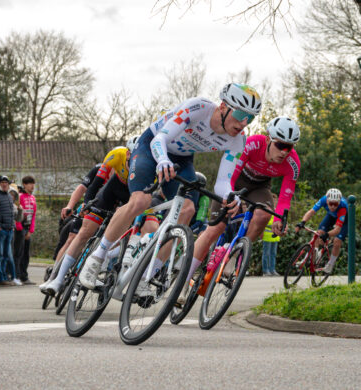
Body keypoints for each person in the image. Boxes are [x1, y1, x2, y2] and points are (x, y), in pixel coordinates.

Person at [78, 83, 261, 291]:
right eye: (240, 114)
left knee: (187, 210)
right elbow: (160, 139)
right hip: (151, 146)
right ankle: (97, 258)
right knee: (141, 200)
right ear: (223, 106)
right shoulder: (198, 108)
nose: (243, 122)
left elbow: (222, 182)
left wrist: (230, 196)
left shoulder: (238, 141)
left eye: (250, 118)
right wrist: (162, 160)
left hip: (181, 159)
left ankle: (148, 275)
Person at [190, 116, 301, 282]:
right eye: (280, 145)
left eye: (289, 147)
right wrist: (233, 198)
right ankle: (185, 278)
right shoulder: (253, 143)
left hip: (260, 187)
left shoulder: (293, 163)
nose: (284, 152)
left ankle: (234, 255)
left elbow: (285, 197)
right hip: (235, 179)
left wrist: (280, 219)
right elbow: (231, 176)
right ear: (268, 138)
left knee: (265, 214)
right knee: (214, 229)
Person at [41, 141, 136, 295]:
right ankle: (57, 280)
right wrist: (87, 205)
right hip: (110, 192)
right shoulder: (116, 155)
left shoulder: (147, 163)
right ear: (127, 153)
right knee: (83, 232)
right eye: (130, 157)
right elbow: (93, 185)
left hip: (130, 196)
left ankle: (99, 267)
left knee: (117, 236)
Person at [297, 188, 348, 274]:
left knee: (337, 241)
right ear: (327, 201)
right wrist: (302, 222)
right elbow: (311, 212)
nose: (333, 206)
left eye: (335, 204)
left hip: (345, 220)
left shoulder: (343, 207)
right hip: (331, 216)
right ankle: (312, 255)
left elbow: (337, 230)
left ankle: (330, 264)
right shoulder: (323, 199)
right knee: (318, 233)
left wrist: (327, 235)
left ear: (339, 202)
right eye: (331, 203)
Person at [13, 176, 37, 284]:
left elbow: (33, 215)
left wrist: (30, 230)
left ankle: (24, 276)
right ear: (24, 184)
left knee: (26, 253)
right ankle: (16, 275)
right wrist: (19, 228)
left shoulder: (33, 198)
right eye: (29, 184)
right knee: (18, 253)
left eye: (33, 184)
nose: (32, 186)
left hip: (27, 229)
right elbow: (18, 213)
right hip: (20, 229)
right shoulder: (20, 196)